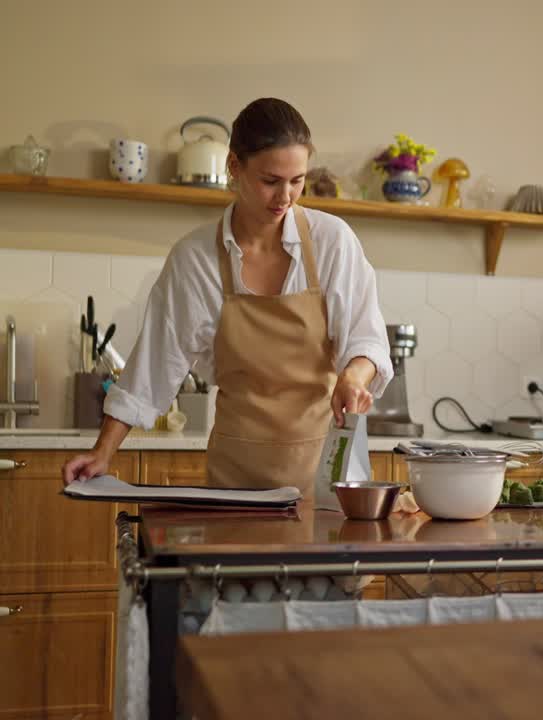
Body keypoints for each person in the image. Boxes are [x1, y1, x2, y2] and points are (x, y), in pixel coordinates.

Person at [63, 98, 393, 492]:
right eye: (270, 181)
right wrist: (103, 452)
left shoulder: (332, 242)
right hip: (235, 481)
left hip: (326, 474)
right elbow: (153, 364)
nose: (286, 196)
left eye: (297, 180)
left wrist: (354, 376)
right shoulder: (195, 258)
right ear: (234, 166)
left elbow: (367, 339)